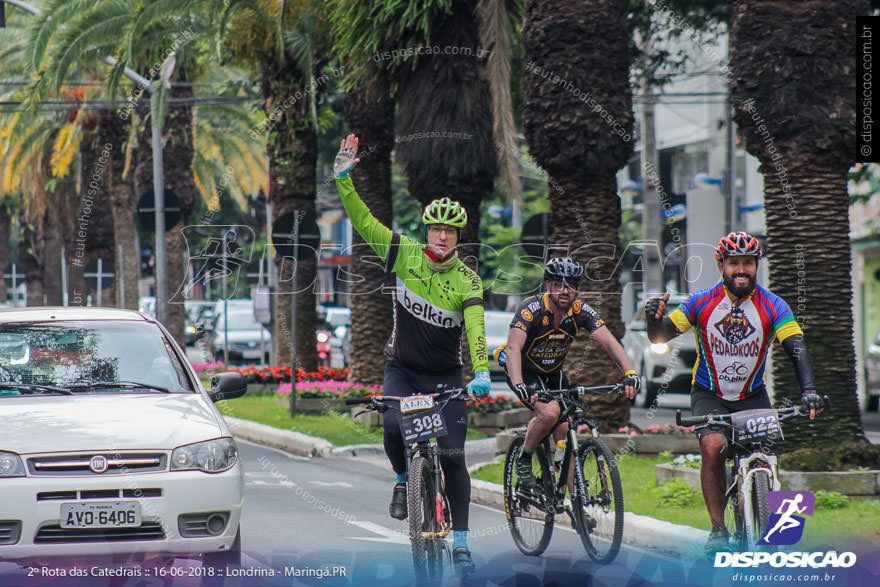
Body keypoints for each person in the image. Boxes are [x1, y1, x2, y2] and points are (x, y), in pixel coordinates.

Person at [333, 133, 490, 572]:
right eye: (435, 229)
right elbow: (365, 223)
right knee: (390, 428)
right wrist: (345, 179)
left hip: (445, 378)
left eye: (449, 230)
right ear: (427, 231)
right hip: (402, 370)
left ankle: (460, 540)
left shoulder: (468, 281)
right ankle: (404, 480)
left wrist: (481, 371)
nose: (441, 236)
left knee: (455, 457)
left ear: (458, 236)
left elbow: (475, 330)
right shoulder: (403, 253)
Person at [645, 231, 822, 553]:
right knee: (713, 448)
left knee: (769, 455)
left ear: (757, 266)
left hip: (752, 394)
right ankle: (718, 529)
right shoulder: (700, 302)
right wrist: (651, 321)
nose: (741, 270)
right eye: (734, 263)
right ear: (721, 265)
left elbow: (796, 348)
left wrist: (809, 390)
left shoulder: (773, 305)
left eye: (748, 263)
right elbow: (660, 337)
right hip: (709, 393)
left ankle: (778, 529)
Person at [496, 257, 639, 489]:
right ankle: (524, 459)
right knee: (550, 414)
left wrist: (630, 372)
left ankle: (573, 503)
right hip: (524, 373)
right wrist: (520, 383)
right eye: (558, 284)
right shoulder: (530, 309)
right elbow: (512, 348)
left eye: (571, 285)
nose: (565, 290)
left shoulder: (581, 310)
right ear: (548, 285)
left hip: (553, 374)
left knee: (566, 428)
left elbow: (609, 342)